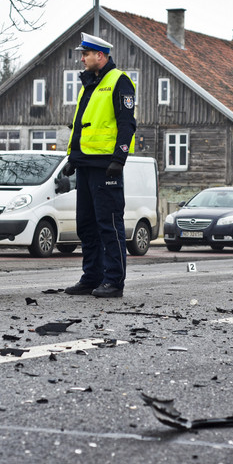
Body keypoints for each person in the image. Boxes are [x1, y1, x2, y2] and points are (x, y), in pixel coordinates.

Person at [63, 33, 136, 298]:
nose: (82, 59)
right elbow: (81, 125)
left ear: (100, 56)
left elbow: (127, 123)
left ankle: (114, 281)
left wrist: (119, 158)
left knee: (109, 223)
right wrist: (73, 159)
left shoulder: (119, 81)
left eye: (86, 54)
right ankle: (91, 277)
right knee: (86, 225)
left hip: (107, 166)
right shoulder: (88, 85)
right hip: (85, 165)